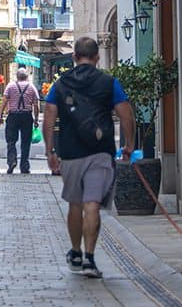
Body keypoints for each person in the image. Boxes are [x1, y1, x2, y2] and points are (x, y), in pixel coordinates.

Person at [42, 37, 135, 278]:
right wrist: (129, 145)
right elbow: (126, 115)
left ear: (74, 57)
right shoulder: (109, 83)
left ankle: (75, 252)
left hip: (71, 153)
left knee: (75, 203)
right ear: (97, 57)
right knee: (92, 203)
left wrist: (50, 151)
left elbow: (49, 117)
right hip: (100, 152)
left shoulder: (60, 85)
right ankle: (90, 259)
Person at [0, 68, 40, 174]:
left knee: (11, 141)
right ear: (26, 77)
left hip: (13, 116)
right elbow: (36, 105)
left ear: (17, 77)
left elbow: (4, 101)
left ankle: (12, 161)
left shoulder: (10, 86)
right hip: (26, 116)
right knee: (25, 142)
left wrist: (0, 114)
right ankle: (24, 166)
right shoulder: (31, 87)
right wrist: (36, 119)